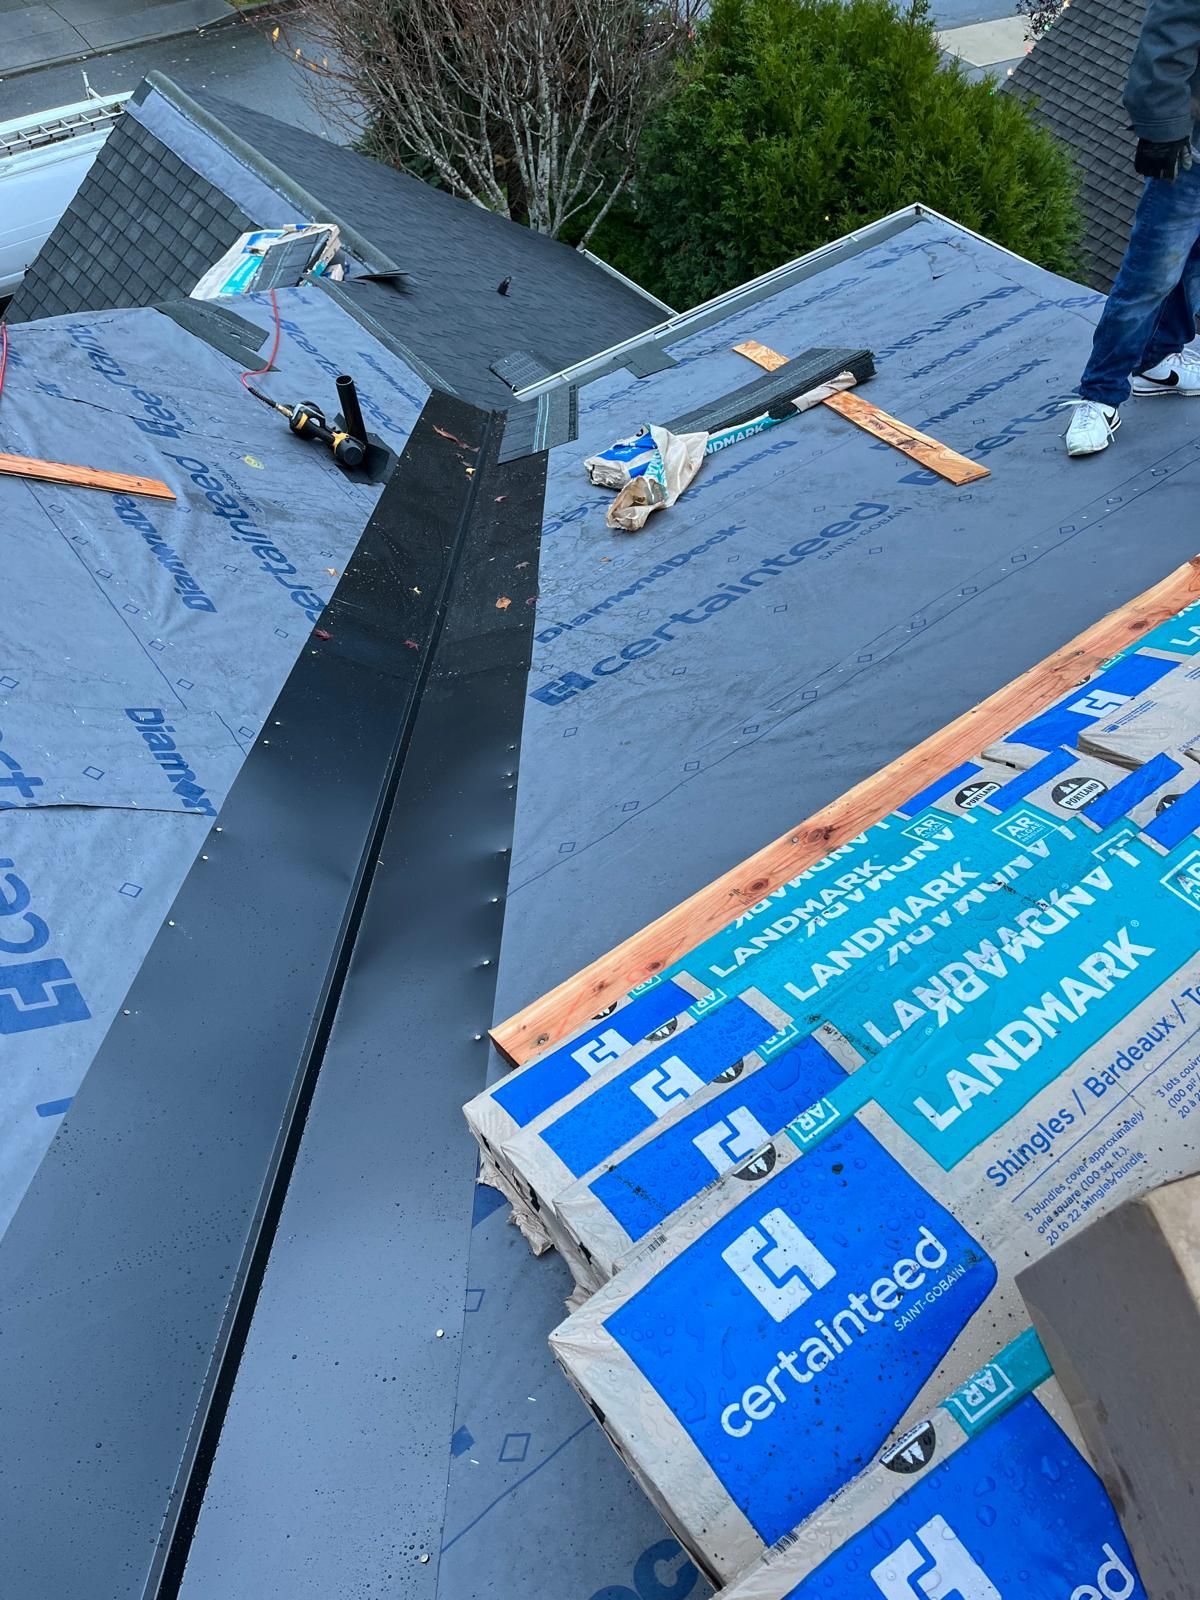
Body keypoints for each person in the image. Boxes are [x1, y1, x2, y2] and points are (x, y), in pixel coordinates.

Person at [1066, 0, 1200, 457]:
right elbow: (1165, 43)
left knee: (1194, 263)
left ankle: (1157, 360)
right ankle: (1098, 396)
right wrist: (1163, 130)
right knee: (1149, 276)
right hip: (1195, 157)